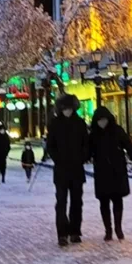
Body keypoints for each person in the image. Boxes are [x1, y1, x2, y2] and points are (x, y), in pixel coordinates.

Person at [89, 106, 132, 242]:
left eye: (104, 119)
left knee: (118, 200)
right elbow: (87, 151)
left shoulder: (117, 131)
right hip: (101, 172)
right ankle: (108, 230)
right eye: (99, 120)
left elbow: (128, 146)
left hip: (117, 170)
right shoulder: (93, 134)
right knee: (104, 202)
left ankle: (118, 228)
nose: (102, 122)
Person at [46, 94, 88, 247]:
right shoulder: (55, 124)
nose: (68, 112)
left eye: (70, 109)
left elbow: (86, 144)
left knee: (77, 202)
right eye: (65, 109)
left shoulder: (80, 123)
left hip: (77, 170)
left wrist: (82, 157)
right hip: (61, 171)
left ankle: (75, 231)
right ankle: (62, 233)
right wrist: (58, 158)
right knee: (61, 203)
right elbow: (50, 146)